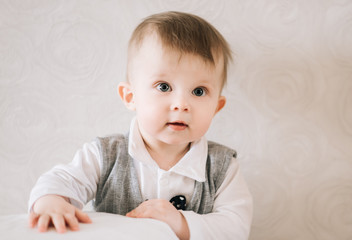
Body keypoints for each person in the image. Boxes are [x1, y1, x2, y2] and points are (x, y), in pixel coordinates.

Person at [28, 11, 253, 240]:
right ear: (130, 96)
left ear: (216, 107)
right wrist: (52, 200)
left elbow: (236, 227)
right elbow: (61, 181)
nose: (181, 104)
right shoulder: (105, 154)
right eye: (164, 87)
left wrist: (180, 223)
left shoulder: (223, 167)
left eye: (198, 91)